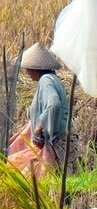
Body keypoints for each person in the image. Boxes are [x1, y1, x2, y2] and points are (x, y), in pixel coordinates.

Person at [20, 43, 79, 172]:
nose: (27, 73)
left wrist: (38, 128)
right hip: (63, 139)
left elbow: (54, 104)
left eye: (27, 69)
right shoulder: (52, 79)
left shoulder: (46, 80)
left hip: (59, 142)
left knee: (57, 180)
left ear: (34, 69)